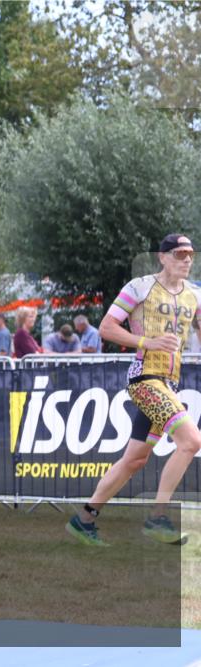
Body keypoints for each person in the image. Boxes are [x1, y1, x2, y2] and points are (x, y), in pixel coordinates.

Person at [67, 233, 201, 547]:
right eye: (179, 255)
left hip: (168, 383)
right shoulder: (139, 287)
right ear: (162, 257)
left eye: (190, 255)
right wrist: (147, 342)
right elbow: (106, 327)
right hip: (145, 380)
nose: (186, 261)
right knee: (191, 440)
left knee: (134, 460)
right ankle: (158, 517)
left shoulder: (194, 294)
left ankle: (84, 519)